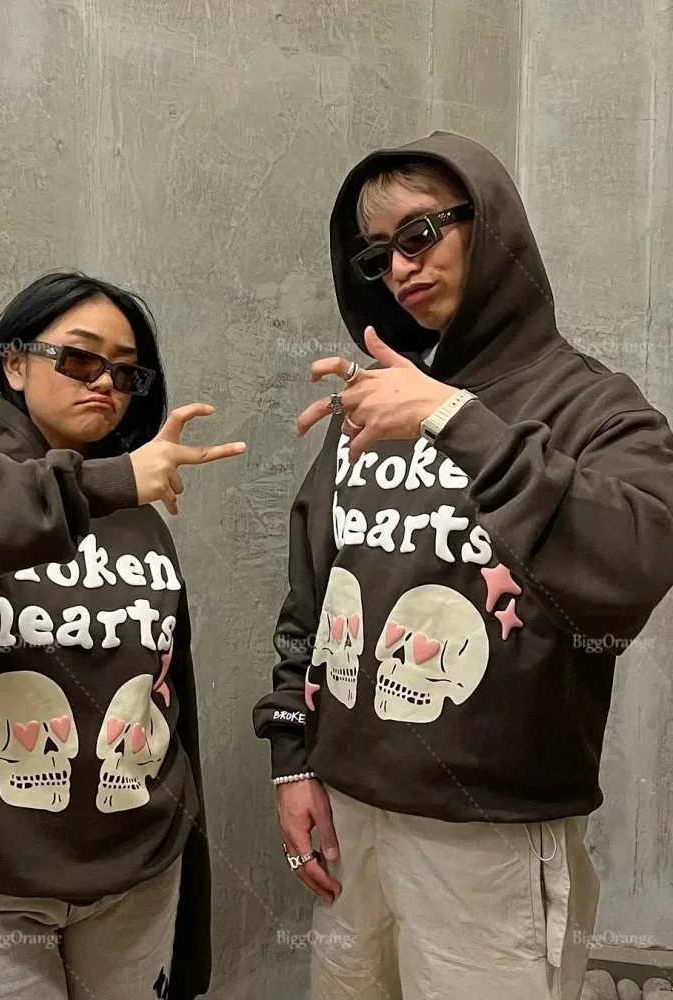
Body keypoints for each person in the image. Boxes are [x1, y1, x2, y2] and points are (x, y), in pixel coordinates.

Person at [253, 131, 673, 999]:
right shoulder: (372, 399)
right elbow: (313, 587)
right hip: (349, 808)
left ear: (492, 225)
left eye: (419, 234)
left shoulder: (592, 404)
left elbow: (634, 564)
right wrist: (293, 758)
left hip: (490, 832)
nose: (399, 269)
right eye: (377, 255)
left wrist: (453, 418)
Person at [0, 270, 246, 1000]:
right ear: (14, 363)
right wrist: (104, 484)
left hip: (135, 872)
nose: (104, 381)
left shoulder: (141, 516)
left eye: (125, 371)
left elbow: (169, 700)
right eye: (79, 358)